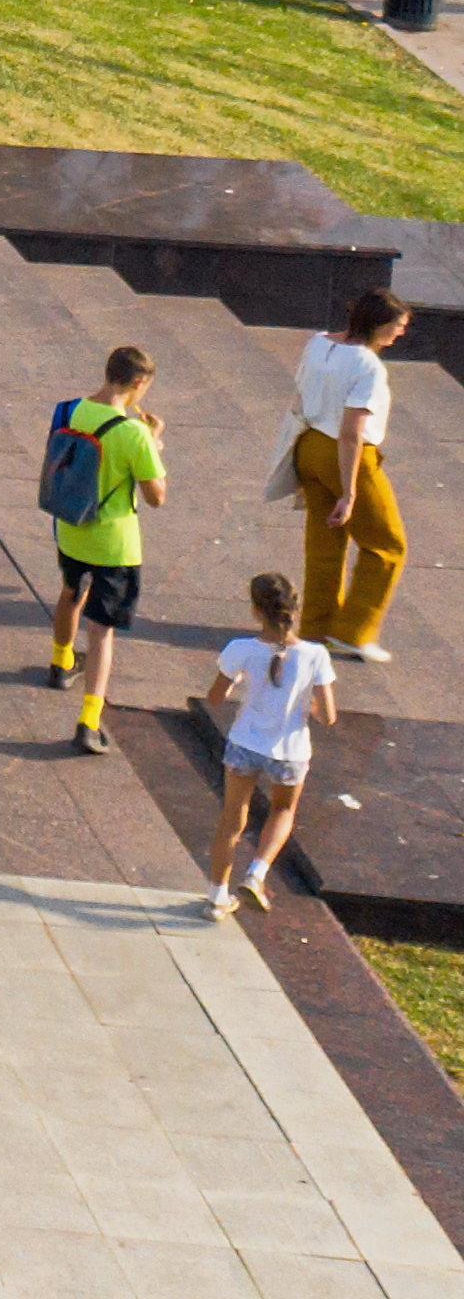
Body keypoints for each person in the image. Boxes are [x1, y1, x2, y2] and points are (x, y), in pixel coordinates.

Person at [45, 345, 166, 749]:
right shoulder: (133, 433)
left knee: (70, 592)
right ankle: (89, 719)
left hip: (71, 527)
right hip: (115, 545)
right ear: (138, 383)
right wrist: (154, 443)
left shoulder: (67, 411)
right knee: (101, 633)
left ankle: (62, 661)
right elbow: (156, 496)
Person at [206, 571, 337, 918]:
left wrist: (233, 685)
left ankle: (217, 897)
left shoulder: (240, 650)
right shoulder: (315, 655)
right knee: (282, 811)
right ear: (295, 609)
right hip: (290, 752)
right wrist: (306, 705)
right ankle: (257, 873)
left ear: (255, 610)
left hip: (244, 744)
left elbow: (215, 698)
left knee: (231, 820)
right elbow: (328, 716)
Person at [292, 292, 414, 658]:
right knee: (387, 546)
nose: (400, 333)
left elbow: (300, 395)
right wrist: (349, 492)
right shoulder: (369, 367)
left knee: (324, 543)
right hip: (347, 457)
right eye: (398, 326)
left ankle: (316, 628)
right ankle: (355, 630)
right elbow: (351, 433)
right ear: (379, 324)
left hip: (309, 446)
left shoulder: (318, 343)